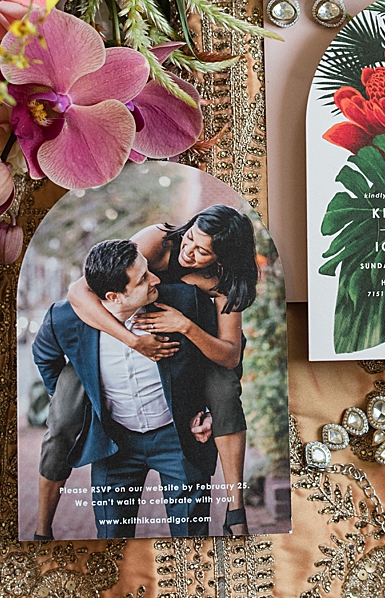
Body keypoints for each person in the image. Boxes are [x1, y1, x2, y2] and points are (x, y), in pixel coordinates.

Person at [43, 205, 258, 535]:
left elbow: (229, 356)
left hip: (203, 339)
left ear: (222, 258)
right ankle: (44, 528)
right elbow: (83, 289)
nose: (188, 251)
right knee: (63, 419)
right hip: (132, 343)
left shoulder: (225, 282)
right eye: (190, 239)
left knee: (225, 393)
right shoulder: (159, 239)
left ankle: (235, 511)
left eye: (202, 251)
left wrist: (186, 328)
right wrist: (132, 340)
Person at [31, 239, 218, 539]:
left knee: (193, 541)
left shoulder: (185, 302)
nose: (155, 279)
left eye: (148, 270)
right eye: (143, 279)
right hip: (114, 444)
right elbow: (45, 356)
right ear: (114, 297)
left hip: (178, 437)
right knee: (112, 543)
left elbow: (220, 362)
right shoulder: (64, 320)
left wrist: (211, 412)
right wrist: (80, 400)